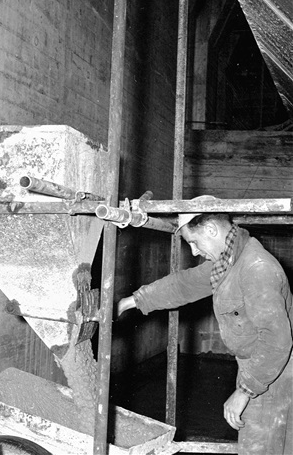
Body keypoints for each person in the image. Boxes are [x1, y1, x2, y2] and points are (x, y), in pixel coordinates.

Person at [117, 195, 293, 455]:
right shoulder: (229, 260)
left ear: (211, 229)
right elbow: (184, 284)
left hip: (275, 370)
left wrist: (245, 391)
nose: (194, 251)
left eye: (193, 242)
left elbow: (277, 341)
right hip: (264, 366)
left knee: (261, 448)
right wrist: (130, 302)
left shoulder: (256, 268)